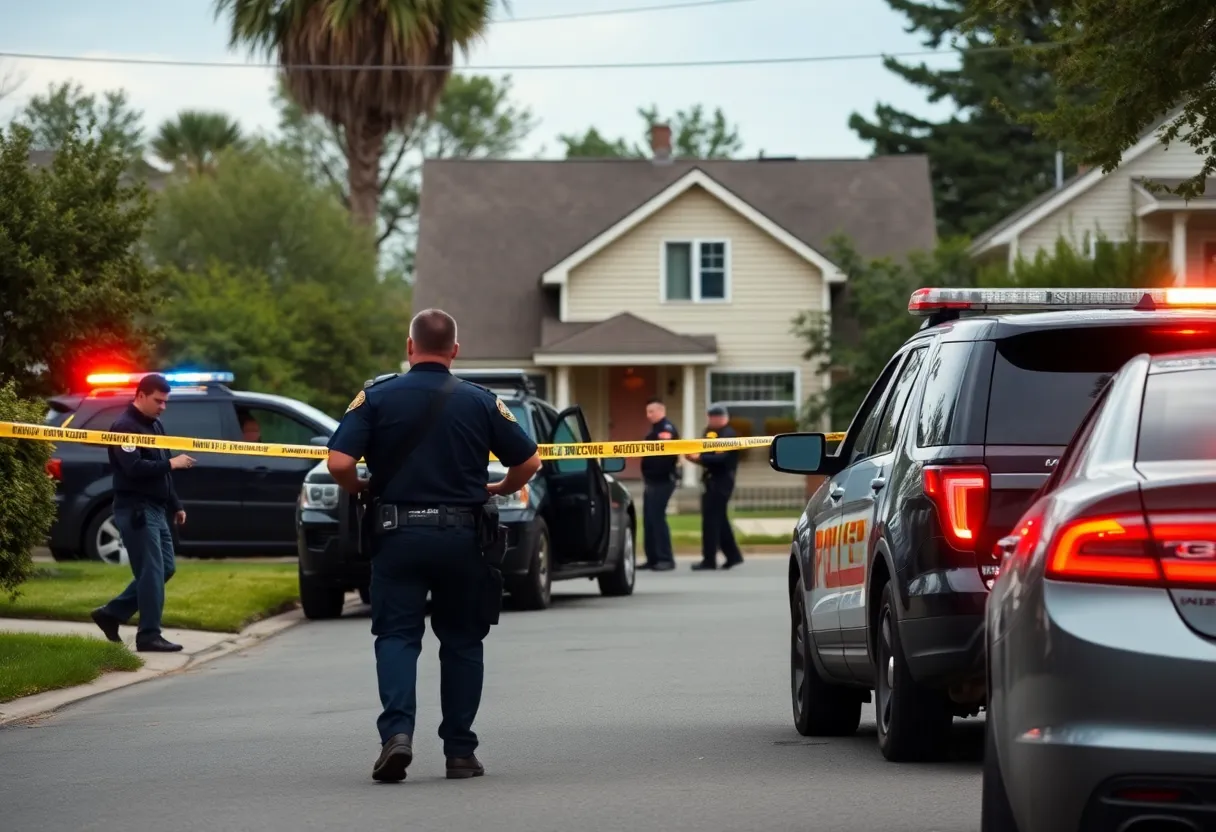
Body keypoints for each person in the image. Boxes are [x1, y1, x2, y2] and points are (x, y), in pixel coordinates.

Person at [325, 308, 542, 784]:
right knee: (462, 641)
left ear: (410, 347)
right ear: (455, 351)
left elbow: (338, 462)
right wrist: (500, 488)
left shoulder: (375, 397)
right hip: (463, 538)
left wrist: (361, 487)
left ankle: (397, 735)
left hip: (397, 536)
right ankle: (460, 752)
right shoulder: (481, 401)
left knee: (397, 637)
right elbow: (530, 462)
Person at [90, 373, 196, 652]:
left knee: (166, 568)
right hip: (136, 508)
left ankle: (111, 613)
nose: (163, 407)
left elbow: (162, 470)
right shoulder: (125, 427)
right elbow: (134, 468)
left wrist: (176, 504)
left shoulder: (155, 425)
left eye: (165, 401)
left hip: (158, 508)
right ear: (140, 396)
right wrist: (172, 464)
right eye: (158, 401)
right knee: (151, 572)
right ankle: (149, 635)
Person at [685, 403, 744, 571]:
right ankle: (733, 556)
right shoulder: (710, 433)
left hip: (722, 482)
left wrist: (699, 458)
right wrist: (695, 457)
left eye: (712, 417)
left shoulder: (728, 435)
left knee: (711, 521)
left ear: (721, 418)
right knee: (719, 520)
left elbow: (722, 459)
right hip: (710, 481)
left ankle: (709, 560)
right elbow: (705, 453)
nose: (709, 420)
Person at [638, 397, 679, 571]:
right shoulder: (655, 430)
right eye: (647, 412)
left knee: (657, 518)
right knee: (649, 520)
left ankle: (665, 558)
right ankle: (652, 558)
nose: (648, 415)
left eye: (651, 411)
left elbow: (666, 455)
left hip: (662, 481)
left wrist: (655, 472)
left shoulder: (665, 429)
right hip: (651, 481)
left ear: (661, 411)